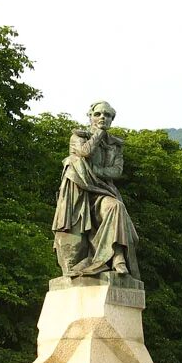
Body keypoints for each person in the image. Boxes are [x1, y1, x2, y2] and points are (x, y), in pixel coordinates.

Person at [52, 101, 140, 278]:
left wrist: (96, 171)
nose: (102, 118)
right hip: (80, 193)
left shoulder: (116, 145)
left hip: (103, 191)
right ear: (90, 116)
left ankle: (117, 258)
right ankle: (112, 258)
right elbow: (85, 152)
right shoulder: (78, 137)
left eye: (107, 115)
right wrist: (99, 133)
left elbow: (117, 171)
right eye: (98, 114)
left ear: (112, 120)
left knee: (116, 207)